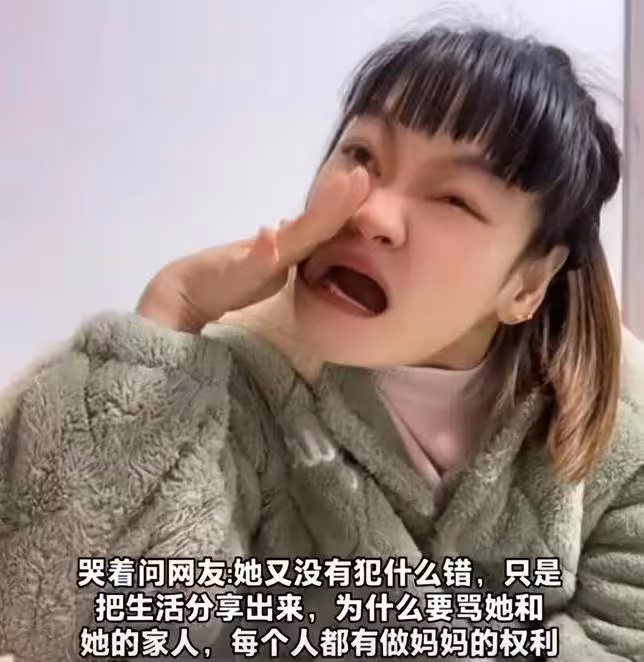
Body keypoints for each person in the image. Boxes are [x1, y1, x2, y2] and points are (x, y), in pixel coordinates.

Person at [0, 25, 643, 662]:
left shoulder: (622, 429)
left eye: (453, 198)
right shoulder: (230, 388)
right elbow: (66, 622)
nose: (370, 214)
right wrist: (173, 308)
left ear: (529, 283)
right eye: (362, 156)